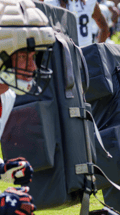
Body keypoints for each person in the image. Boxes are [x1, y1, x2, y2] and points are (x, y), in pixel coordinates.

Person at [0, 0, 56, 213]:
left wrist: (3, 169)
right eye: (23, 56)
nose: (32, 67)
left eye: (33, 57)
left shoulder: (5, 96)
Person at [43, 0, 109, 47]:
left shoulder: (88, 2)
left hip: (84, 52)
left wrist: (97, 49)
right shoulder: (50, 3)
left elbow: (104, 28)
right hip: (64, 53)